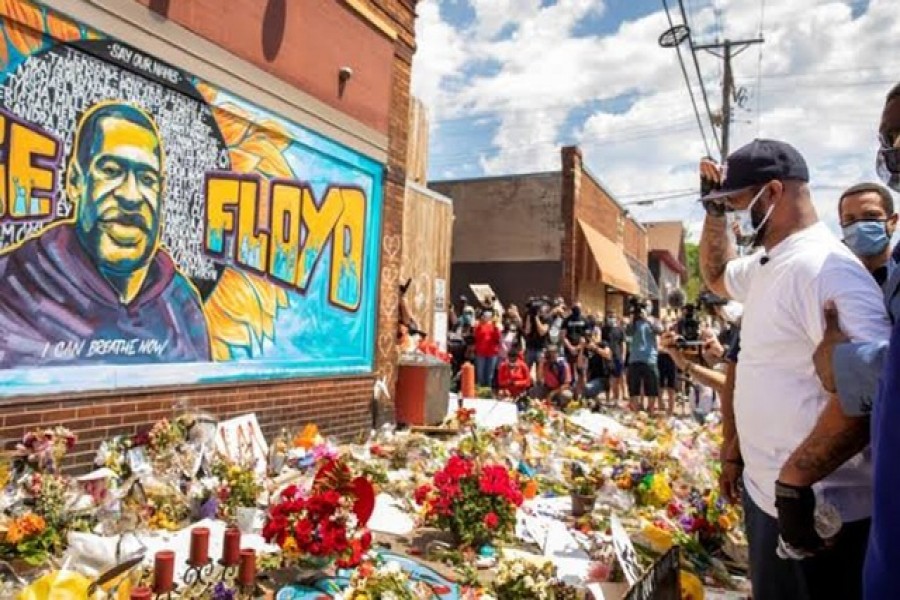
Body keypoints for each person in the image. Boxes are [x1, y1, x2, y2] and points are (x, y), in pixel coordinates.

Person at [698, 139, 890, 600]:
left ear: (773, 193)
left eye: (737, 202)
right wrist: (713, 213)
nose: (735, 214)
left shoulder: (828, 270)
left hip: (818, 514)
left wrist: (795, 480)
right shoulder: (770, 262)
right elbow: (716, 274)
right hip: (770, 498)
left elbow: (873, 391)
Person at [0, 102, 210, 367]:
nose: (131, 196)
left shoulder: (180, 302)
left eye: (147, 179)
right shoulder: (13, 286)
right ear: (75, 182)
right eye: (111, 171)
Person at [811, 85, 900, 599]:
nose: (857, 228)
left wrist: (843, 363)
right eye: (847, 222)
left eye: (868, 218)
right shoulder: (837, 285)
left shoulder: (894, 278)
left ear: (891, 221)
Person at [625, 300, 662, 413]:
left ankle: (650, 411)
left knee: (652, 388)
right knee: (633, 388)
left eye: (645, 306)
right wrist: (632, 318)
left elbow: (659, 331)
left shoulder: (654, 320)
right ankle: (636, 412)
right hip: (634, 359)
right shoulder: (634, 322)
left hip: (649, 359)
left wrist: (647, 319)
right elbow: (628, 333)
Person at [578, 331, 611, 407]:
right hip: (592, 379)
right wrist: (582, 348)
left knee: (588, 390)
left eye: (590, 336)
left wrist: (595, 348)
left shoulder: (602, 344)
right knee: (584, 396)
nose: (589, 339)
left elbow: (608, 355)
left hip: (603, 378)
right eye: (586, 337)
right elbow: (579, 364)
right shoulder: (586, 349)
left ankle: (601, 403)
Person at [602, 311, 627, 404]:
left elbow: (623, 344)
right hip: (607, 357)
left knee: (617, 378)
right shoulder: (604, 329)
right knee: (608, 379)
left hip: (617, 356)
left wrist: (623, 356)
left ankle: (617, 398)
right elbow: (602, 341)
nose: (611, 319)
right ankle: (609, 398)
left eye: (613, 317)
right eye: (610, 317)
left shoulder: (620, 329)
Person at [473, 310, 501, 387]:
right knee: (480, 373)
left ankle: (488, 389)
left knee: (490, 374)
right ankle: (480, 389)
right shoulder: (479, 326)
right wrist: (479, 325)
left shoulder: (494, 326)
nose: (487, 318)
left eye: (489, 316)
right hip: (481, 353)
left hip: (492, 353)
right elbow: (476, 337)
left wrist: (495, 327)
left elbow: (498, 338)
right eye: (485, 316)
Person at [656, 320, 679, 415]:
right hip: (661, 359)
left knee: (671, 386)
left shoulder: (675, 336)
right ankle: (660, 406)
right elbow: (659, 348)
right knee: (660, 384)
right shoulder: (660, 335)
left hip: (672, 360)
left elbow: (676, 347)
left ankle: (671, 409)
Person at [522, 299, 549, 368]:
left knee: (540, 371)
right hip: (529, 348)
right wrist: (529, 316)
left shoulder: (545, 318)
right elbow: (527, 331)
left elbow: (542, 332)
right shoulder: (528, 317)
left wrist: (536, 317)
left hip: (540, 349)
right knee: (526, 370)